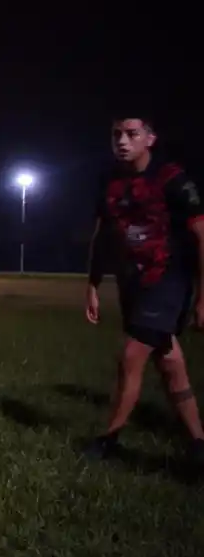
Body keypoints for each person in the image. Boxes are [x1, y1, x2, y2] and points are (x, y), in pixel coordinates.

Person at [85, 114, 204, 465]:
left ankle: (109, 440)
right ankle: (199, 442)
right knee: (170, 362)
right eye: (116, 134)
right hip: (132, 282)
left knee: (131, 356)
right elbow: (101, 236)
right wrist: (91, 284)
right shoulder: (108, 182)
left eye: (132, 134)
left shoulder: (172, 179)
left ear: (149, 139)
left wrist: (203, 296)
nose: (122, 141)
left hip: (169, 279)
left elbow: (201, 235)